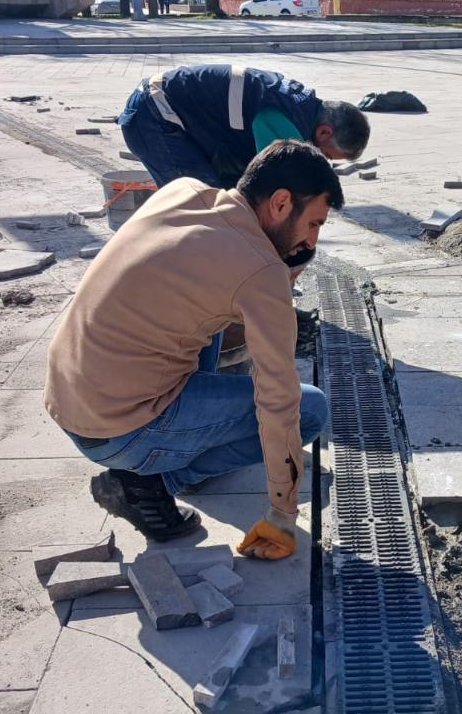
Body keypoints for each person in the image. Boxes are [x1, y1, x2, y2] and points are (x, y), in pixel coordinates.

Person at [45, 140, 341, 559]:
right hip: (118, 432)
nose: (309, 241)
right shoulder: (261, 272)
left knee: (212, 313)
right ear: (280, 203)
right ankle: (149, 485)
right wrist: (282, 511)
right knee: (311, 409)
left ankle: (167, 452)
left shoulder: (181, 192)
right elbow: (280, 401)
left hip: (69, 398)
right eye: (314, 223)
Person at [118, 64, 371, 189]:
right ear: (324, 132)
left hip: (165, 113)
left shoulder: (303, 107)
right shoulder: (287, 127)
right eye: (326, 154)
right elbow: (269, 178)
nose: (321, 159)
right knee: (201, 205)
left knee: (223, 200)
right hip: (154, 118)